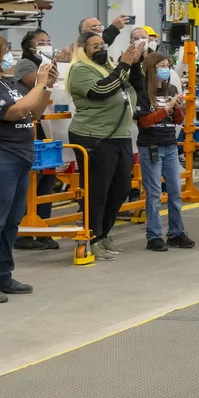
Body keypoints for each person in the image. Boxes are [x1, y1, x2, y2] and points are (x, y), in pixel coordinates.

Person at [66, 32, 144, 261]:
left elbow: (135, 88)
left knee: (120, 187)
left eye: (102, 45)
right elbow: (100, 90)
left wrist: (135, 64)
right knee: (97, 190)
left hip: (119, 134)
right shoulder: (81, 69)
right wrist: (124, 64)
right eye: (94, 46)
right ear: (82, 48)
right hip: (94, 136)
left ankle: (104, 232)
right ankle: (92, 237)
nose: (100, 49)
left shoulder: (111, 66)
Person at [0, 35, 56, 302]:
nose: (10, 56)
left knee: (11, 220)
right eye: (6, 51)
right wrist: (38, 84)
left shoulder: (8, 83)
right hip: (0, 157)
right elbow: (15, 112)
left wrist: (47, 86)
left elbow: (35, 113)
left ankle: (3, 275)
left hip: (21, 157)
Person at [134, 52, 194, 251]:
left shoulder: (172, 89)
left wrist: (176, 108)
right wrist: (165, 109)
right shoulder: (142, 91)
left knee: (175, 191)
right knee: (154, 194)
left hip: (170, 145)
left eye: (167, 65)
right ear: (152, 68)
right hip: (151, 145)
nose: (165, 69)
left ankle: (176, 232)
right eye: (161, 65)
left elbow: (178, 120)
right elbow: (144, 121)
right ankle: (154, 236)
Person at [12, 30, 59, 251]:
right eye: (41, 42)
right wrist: (48, 73)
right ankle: (22, 230)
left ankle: (43, 228)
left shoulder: (48, 64)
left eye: (48, 42)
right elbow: (38, 85)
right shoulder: (25, 65)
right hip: (26, 127)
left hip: (44, 126)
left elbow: (51, 86)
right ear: (29, 46)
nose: (46, 45)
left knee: (47, 178)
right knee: (30, 180)